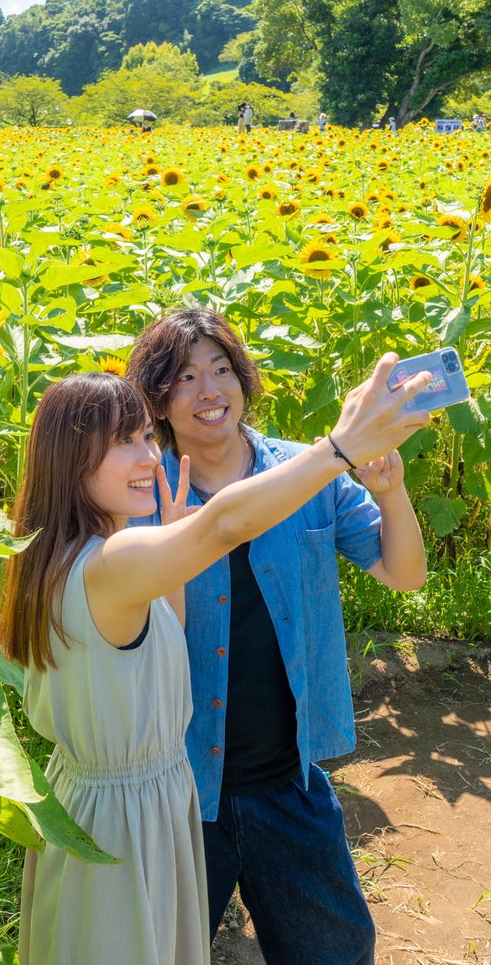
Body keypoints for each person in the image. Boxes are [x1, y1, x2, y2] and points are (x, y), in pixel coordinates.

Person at [0, 359, 431, 965]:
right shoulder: (112, 562)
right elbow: (224, 523)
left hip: (114, 800)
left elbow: (156, 645)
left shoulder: (57, 556)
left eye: (146, 437)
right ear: (71, 460)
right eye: (124, 442)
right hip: (129, 818)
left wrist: (173, 548)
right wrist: (340, 448)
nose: (149, 457)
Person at [127, 306, 429, 965]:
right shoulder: (140, 492)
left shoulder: (307, 473)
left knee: (337, 950)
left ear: (243, 379)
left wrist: (391, 491)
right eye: (185, 378)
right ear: (158, 399)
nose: (209, 391)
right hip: (179, 788)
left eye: (221, 369)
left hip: (287, 778)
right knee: (157, 952)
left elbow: (404, 574)